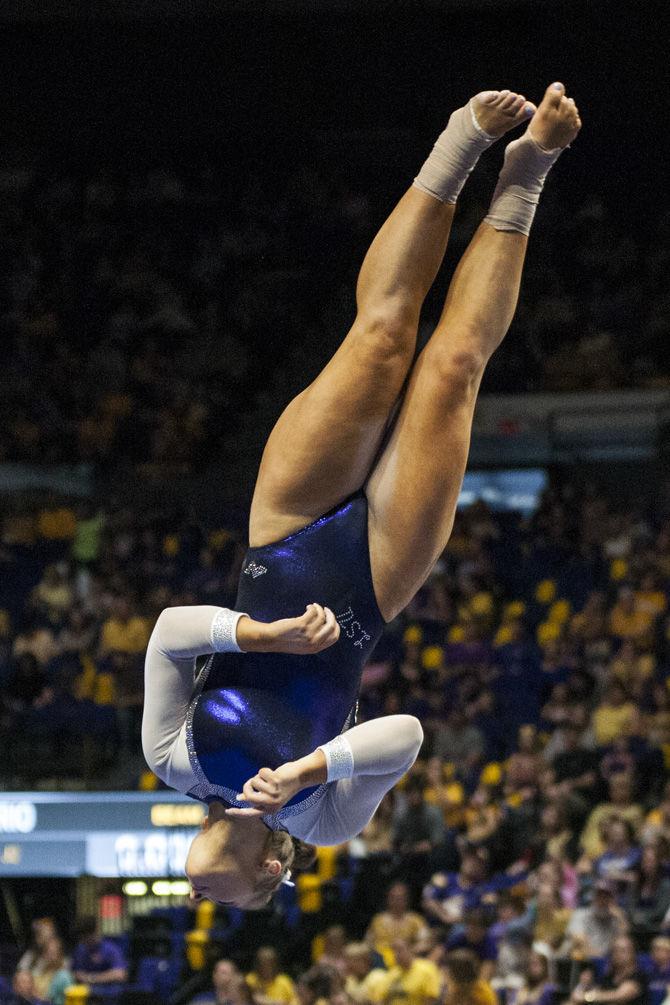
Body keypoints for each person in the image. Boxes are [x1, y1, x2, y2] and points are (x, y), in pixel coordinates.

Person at [141, 82, 581, 909]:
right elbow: (405, 736)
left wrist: (258, 632)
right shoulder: (323, 818)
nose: (198, 896)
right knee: (450, 371)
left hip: (282, 536)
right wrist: (311, 765)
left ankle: (456, 146)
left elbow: (167, 636)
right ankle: (528, 173)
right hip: (375, 581)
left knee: (381, 338)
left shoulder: (175, 756)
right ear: (272, 873)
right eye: (219, 902)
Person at [374, 939, 441, 1005]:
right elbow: (380, 998)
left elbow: (431, 999)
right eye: (394, 951)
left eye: (400, 950)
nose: (397, 954)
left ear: (410, 949)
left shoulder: (427, 969)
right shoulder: (392, 974)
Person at [71, 916, 128, 989]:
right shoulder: (80, 950)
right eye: (82, 939)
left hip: (108, 994)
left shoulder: (110, 949)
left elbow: (121, 974)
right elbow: (74, 972)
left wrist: (91, 978)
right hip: (85, 993)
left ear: (95, 932)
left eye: (87, 938)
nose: (84, 942)